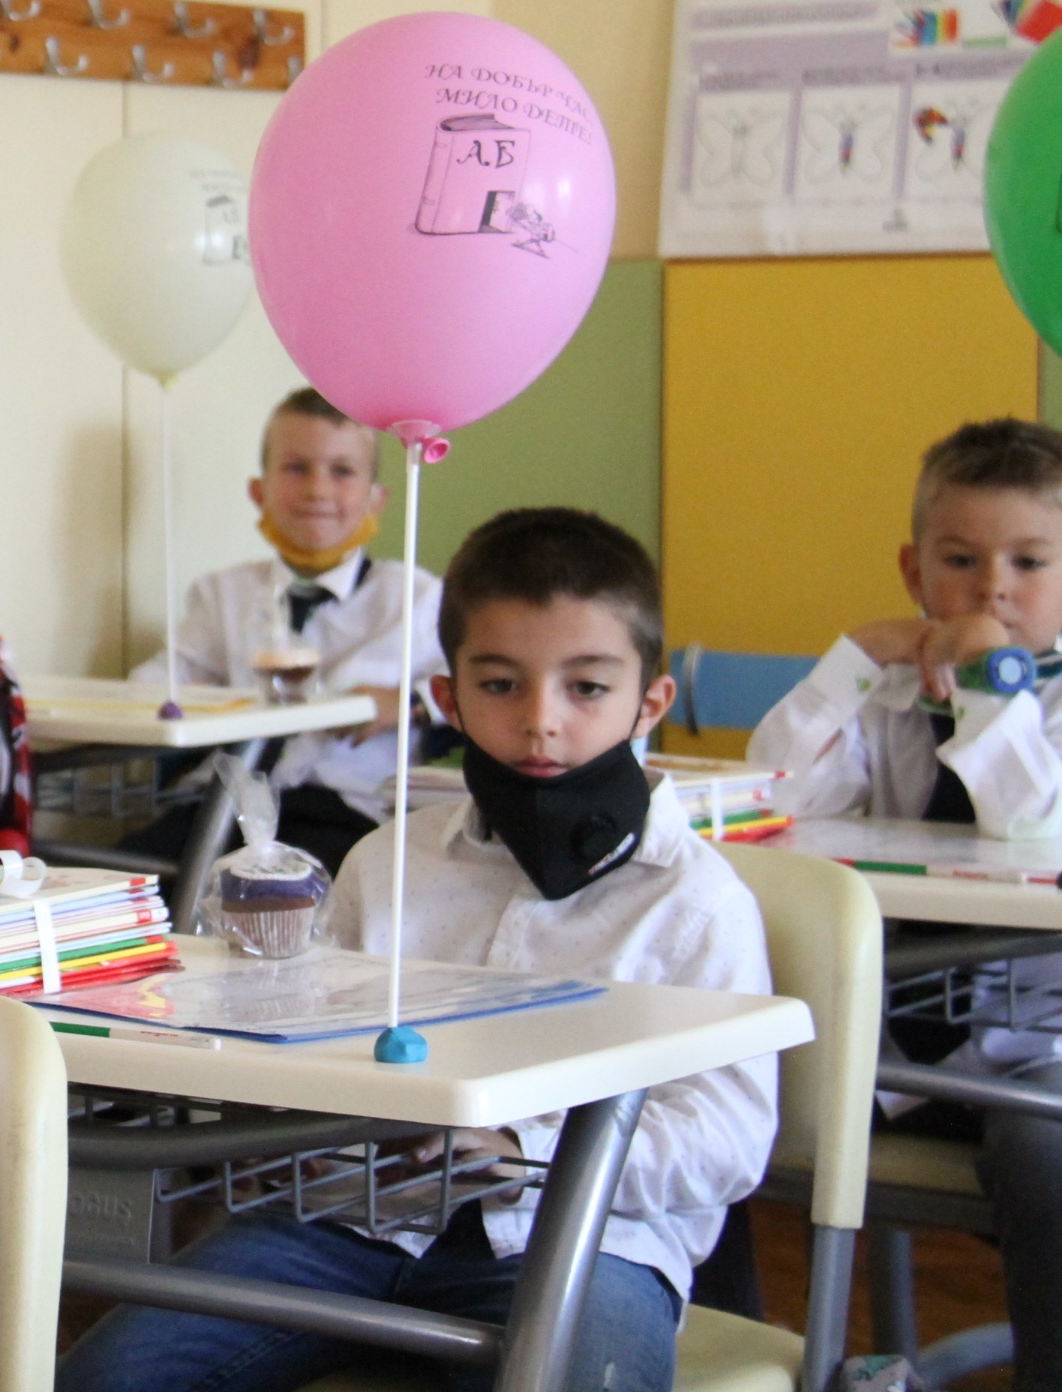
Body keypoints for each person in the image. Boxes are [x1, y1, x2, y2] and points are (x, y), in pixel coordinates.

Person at [64, 508, 775, 1392]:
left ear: (651, 702)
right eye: (501, 684)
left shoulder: (696, 903)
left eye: (587, 688)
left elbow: (730, 1136)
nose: (541, 721)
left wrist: (519, 1148)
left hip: (585, 1242)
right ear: (447, 698)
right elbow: (309, 1043)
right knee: (107, 1377)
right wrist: (278, 1107)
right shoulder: (388, 862)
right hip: (346, 1226)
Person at [750, 417, 1062, 1392]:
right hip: (887, 1052)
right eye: (960, 561)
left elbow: (1031, 827)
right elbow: (775, 801)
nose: (992, 589)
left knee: (1047, 1166)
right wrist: (850, 662)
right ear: (914, 571)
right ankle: (750, 1353)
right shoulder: (885, 700)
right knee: (705, 1103)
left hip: (1038, 1058)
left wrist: (988, 685)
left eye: (1028, 562)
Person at [132, 387, 446, 876]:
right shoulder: (223, 594)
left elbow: (471, 694)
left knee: (293, 896)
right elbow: (157, 683)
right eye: (296, 468)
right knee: (125, 884)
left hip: (346, 813)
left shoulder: (416, 598)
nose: (317, 490)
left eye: (342, 471)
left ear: (376, 499)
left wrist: (408, 703)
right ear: (259, 492)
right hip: (219, 807)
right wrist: (181, 698)